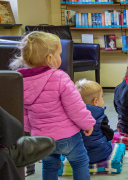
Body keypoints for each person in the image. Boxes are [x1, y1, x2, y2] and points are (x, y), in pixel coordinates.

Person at [10, 31, 96, 180]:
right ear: (50, 58)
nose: (60, 58)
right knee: (80, 162)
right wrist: (87, 124)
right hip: (68, 136)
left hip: (41, 139)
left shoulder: (20, 80)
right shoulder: (60, 77)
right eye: (59, 54)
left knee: (49, 166)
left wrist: (32, 130)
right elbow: (75, 107)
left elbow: (22, 112)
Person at [0, 107, 55, 180]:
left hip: (36, 130)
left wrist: (28, 128)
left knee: (50, 166)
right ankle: (7, 150)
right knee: (75, 164)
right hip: (67, 134)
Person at [75, 79, 114, 164]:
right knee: (108, 142)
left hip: (77, 156)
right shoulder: (100, 116)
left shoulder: (73, 115)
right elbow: (109, 135)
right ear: (95, 101)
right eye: (102, 97)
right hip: (99, 154)